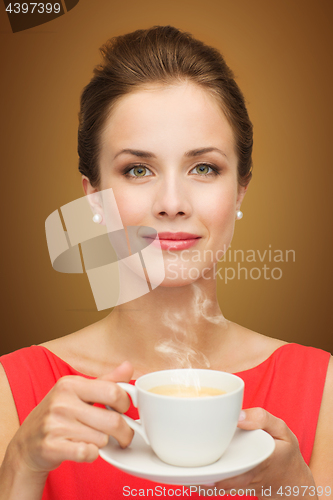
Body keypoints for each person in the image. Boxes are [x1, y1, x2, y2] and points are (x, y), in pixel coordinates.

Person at [0, 25, 332, 500]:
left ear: (240, 189)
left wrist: (299, 492)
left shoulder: (321, 388)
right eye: (138, 169)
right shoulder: (14, 390)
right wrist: (20, 469)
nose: (172, 202)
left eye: (204, 168)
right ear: (93, 197)